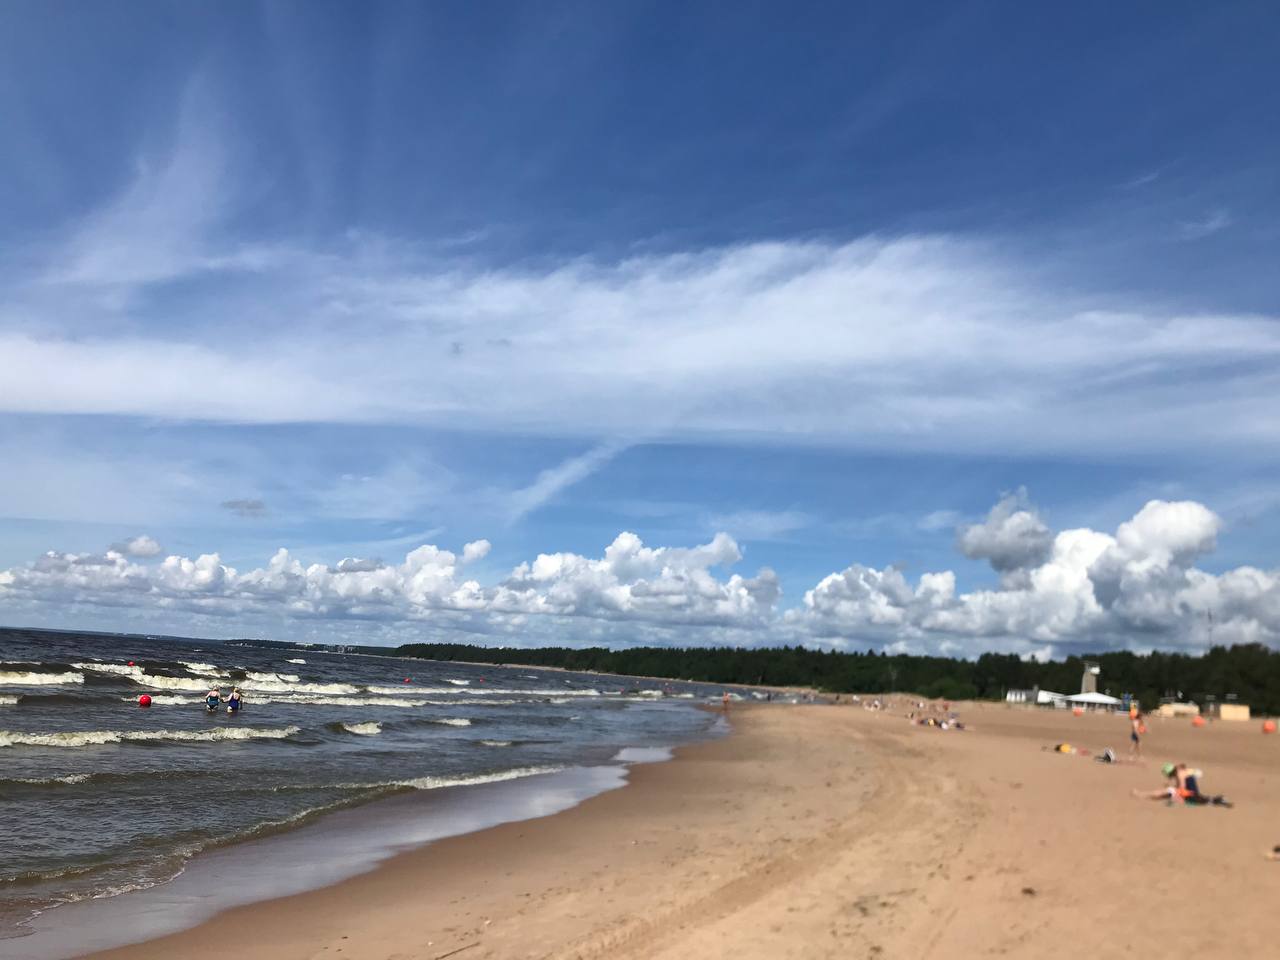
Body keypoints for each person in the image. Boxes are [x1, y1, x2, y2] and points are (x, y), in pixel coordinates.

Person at [1133, 762, 1232, 806]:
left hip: (1190, 794)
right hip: (1192, 793)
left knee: (1166, 792)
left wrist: (1174, 796)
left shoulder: (1179, 774)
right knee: (1205, 800)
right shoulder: (1179, 772)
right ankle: (1220, 800)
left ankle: (1141, 794)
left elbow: (1182, 787)